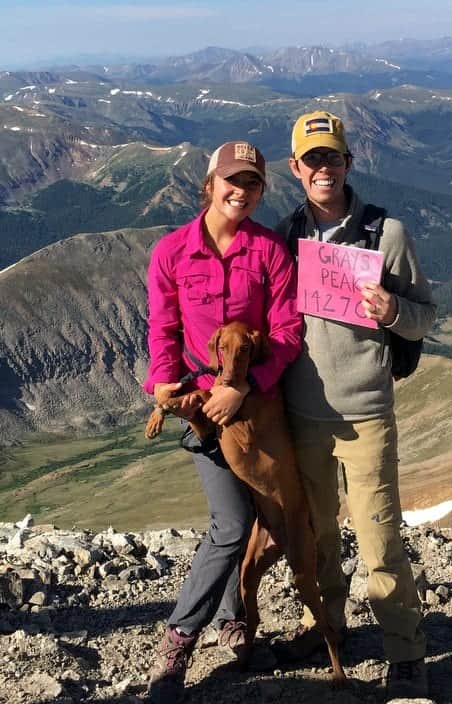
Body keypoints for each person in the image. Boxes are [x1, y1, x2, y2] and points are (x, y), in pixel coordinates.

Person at [273, 111, 436, 700]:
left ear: (348, 163)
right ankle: (328, 627)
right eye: (312, 159)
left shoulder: (385, 233)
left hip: (367, 413)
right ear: (295, 169)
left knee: (378, 537)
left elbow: (424, 317)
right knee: (316, 535)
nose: (323, 168)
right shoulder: (284, 236)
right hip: (302, 414)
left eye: (332, 158)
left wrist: (391, 312)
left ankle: (406, 651)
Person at [143, 141, 302, 702]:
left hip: (260, 413)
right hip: (203, 414)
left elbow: (286, 333)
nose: (242, 191)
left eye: (253, 184)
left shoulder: (271, 252)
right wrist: (165, 381)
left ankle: (238, 624)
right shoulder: (171, 252)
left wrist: (244, 386)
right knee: (232, 524)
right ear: (209, 183)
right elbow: (163, 328)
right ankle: (179, 643)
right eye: (232, 181)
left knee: (264, 522)